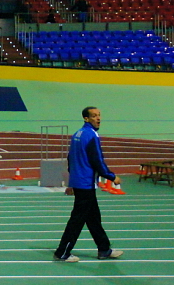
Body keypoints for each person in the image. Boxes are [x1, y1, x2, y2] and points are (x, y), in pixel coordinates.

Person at [53, 107, 124, 263]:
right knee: (77, 220)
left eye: (99, 115)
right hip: (85, 184)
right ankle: (62, 252)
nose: (98, 118)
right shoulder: (92, 135)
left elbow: (70, 159)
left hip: (80, 182)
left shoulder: (77, 134)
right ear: (86, 118)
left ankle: (104, 249)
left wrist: (72, 182)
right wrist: (111, 176)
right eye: (94, 116)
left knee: (93, 218)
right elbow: (97, 160)